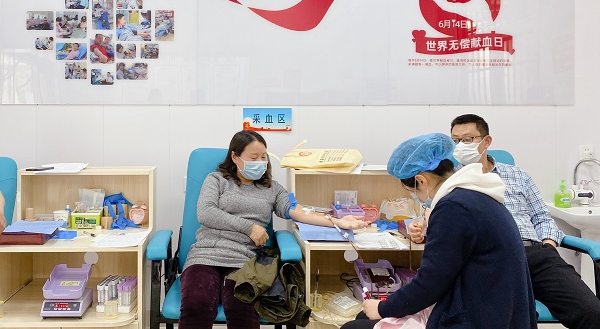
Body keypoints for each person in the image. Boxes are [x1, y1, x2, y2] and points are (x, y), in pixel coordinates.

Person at [342, 133, 536, 329]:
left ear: (421, 181)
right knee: (365, 316)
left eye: (412, 192)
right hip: (494, 305)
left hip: (480, 316)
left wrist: (383, 308)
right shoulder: (475, 194)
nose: (416, 198)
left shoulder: (452, 208)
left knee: (354, 327)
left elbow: (430, 282)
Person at [179, 130, 370, 329]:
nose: (260, 162)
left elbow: (298, 211)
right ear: (235, 157)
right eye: (254, 157)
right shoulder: (216, 180)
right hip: (207, 254)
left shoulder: (272, 189)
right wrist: (248, 227)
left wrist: (338, 221)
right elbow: (206, 212)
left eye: (264, 157)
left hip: (245, 260)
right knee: (196, 304)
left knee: (242, 309)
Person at [429, 113, 600, 329]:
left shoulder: (518, 175)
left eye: (468, 139)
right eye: (456, 141)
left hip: (534, 254)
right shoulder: (450, 182)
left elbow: (542, 217)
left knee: (591, 312)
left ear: (486, 141)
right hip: (489, 260)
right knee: (506, 320)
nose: (461, 146)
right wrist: (419, 226)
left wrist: (547, 246)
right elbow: (435, 219)